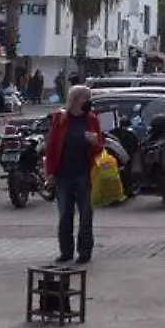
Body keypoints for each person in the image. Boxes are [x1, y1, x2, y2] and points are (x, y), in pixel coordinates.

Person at [45, 85, 105, 263]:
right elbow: (51, 147)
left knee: (86, 214)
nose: (88, 101)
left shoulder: (92, 119)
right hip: (63, 174)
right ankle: (66, 251)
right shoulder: (60, 119)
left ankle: (85, 251)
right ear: (76, 100)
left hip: (84, 173)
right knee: (65, 215)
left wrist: (94, 142)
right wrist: (50, 173)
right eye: (85, 98)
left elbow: (100, 147)